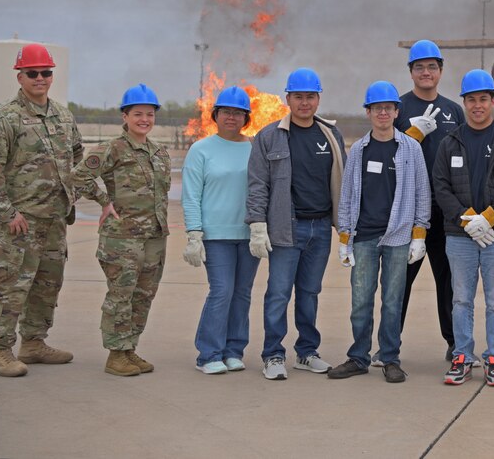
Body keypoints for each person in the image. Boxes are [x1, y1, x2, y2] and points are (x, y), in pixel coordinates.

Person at [0, 43, 102, 377]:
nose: (40, 78)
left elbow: (76, 161)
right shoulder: (3, 118)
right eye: (33, 73)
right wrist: (6, 213)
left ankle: (33, 343)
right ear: (20, 76)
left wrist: (94, 196)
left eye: (46, 72)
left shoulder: (62, 116)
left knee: (47, 285)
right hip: (19, 224)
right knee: (9, 286)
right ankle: (0, 352)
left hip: (55, 221)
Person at [327, 81, 430, 384]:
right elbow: (346, 196)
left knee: (393, 301)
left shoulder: (411, 148)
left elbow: (422, 192)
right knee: (360, 300)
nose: (383, 112)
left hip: (398, 238)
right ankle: (358, 356)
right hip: (364, 238)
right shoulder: (359, 150)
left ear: (397, 111)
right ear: (369, 112)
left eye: (388, 108)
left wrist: (419, 234)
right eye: (377, 108)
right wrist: (345, 239)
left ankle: (389, 357)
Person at [246, 68, 346, 381]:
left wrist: (344, 228)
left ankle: (307, 352)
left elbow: (343, 181)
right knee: (278, 293)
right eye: (298, 96)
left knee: (309, 292)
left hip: (320, 229)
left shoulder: (330, 135)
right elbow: (257, 183)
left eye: (310, 96)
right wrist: (257, 224)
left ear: (318, 99)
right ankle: (273, 355)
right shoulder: (270, 135)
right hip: (286, 229)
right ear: (287, 98)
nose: (304, 102)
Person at [432, 70, 494, 386]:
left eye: (482, 99)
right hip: (460, 236)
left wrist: (489, 217)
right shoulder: (450, 142)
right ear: (464, 102)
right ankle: (462, 357)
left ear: (492, 101)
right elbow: (441, 187)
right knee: (461, 299)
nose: (477, 106)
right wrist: (467, 219)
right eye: (471, 100)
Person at [72, 84, 171, 376]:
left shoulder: (159, 152)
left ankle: (129, 348)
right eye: (138, 113)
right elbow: (78, 178)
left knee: (144, 294)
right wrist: (104, 200)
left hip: (153, 236)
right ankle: (115, 354)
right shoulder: (111, 148)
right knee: (121, 294)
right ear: (124, 116)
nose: (144, 119)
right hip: (122, 239)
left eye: (150, 114)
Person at [395, 40, 464, 361]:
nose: (426, 72)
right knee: (400, 281)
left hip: (446, 210)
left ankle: (454, 342)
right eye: (419, 67)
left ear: (440, 71)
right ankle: (389, 343)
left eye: (432, 67)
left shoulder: (454, 110)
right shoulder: (397, 108)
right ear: (411, 72)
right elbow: (386, 155)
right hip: (408, 211)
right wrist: (410, 134)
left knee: (449, 281)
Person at [182, 86, 258, 375]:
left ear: (246, 118)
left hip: (249, 233)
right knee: (222, 291)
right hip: (216, 236)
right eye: (227, 111)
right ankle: (209, 353)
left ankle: (234, 350)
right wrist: (194, 233)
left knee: (242, 294)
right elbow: (191, 195)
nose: (232, 117)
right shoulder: (201, 149)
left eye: (238, 113)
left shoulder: (255, 147)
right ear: (216, 115)